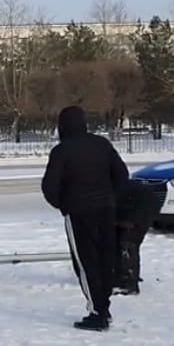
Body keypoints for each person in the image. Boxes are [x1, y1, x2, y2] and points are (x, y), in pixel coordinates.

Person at [41, 105, 130, 331]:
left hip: (79, 212)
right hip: (106, 209)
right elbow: (122, 175)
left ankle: (97, 312)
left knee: (86, 262)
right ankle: (104, 307)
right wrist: (111, 197)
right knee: (105, 259)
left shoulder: (61, 151)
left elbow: (49, 187)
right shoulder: (102, 144)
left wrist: (64, 205)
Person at [113, 179, 160, 295]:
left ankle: (130, 284)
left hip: (140, 208)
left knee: (127, 244)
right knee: (124, 243)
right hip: (139, 204)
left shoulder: (104, 192)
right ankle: (127, 275)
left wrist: (130, 221)